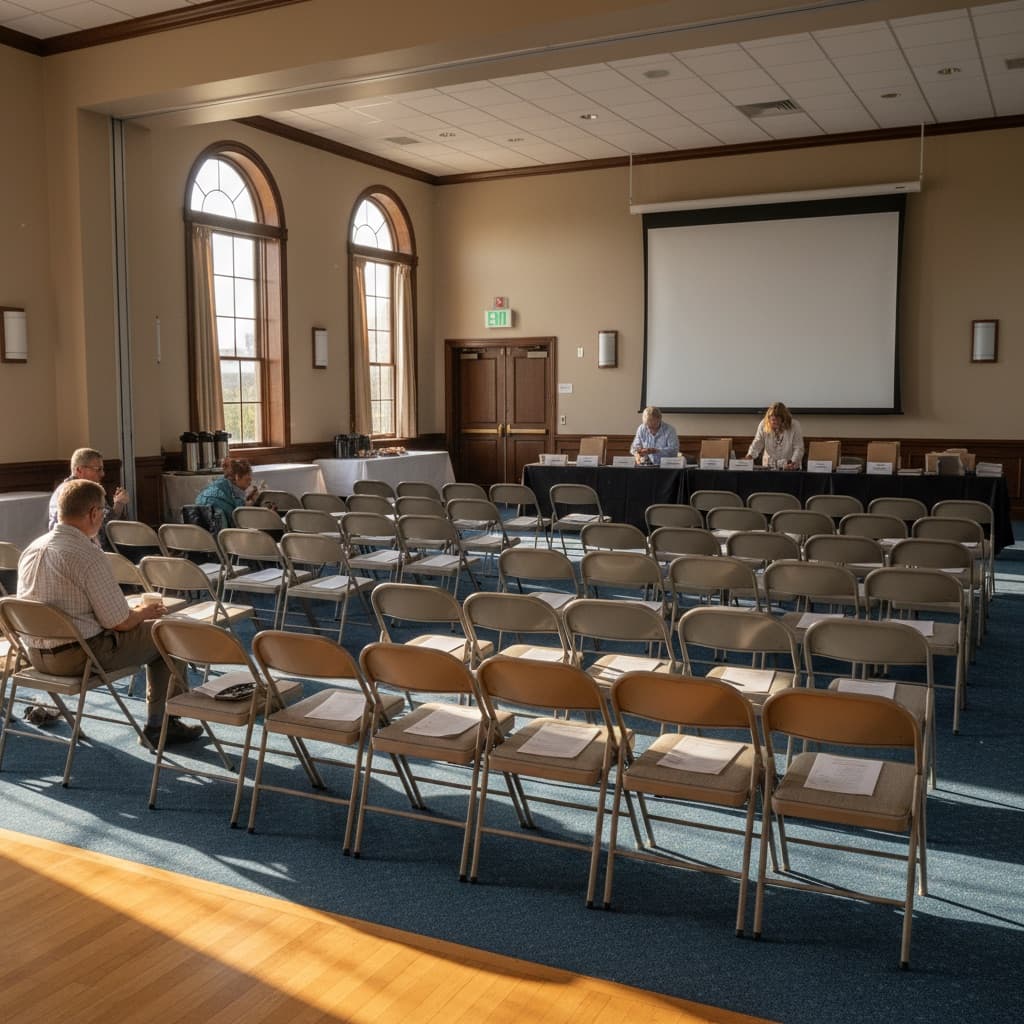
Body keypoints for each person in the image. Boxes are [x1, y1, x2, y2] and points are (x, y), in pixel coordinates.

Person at [19, 479, 202, 747]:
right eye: (103, 513)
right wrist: (143, 612)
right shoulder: (87, 554)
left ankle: (163, 723)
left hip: (35, 654)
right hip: (80, 656)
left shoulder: (31, 549)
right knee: (169, 634)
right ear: (94, 513)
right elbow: (119, 622)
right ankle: (160, 725)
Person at [47, 447, 129, 551]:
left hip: (62, 547)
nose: (102, 474)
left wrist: (118, 503)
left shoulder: (63, 488)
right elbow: (104, 528)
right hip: (85, 551)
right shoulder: (83, 491)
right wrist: (119, 504)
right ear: (79, 470)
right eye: (98, 469)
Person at [194, 457, 262, 530]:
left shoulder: (218, 485)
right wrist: (253, 502)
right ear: (237, 477)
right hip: (222, 534)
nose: (250, 482)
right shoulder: (235, 494)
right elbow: (240, 517)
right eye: (247, 479)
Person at [746, 402, 805, 469]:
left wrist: (792, 463)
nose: (775, 423)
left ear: (784, 420)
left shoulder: (795, 425)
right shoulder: (764, 424)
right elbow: (757, 442)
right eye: (773, 420)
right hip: (768, 467)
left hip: (790, 467)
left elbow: (798, 448)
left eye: (778, 420)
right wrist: (749, 456)